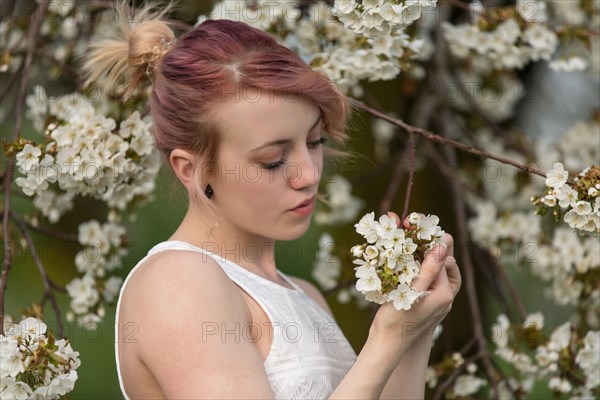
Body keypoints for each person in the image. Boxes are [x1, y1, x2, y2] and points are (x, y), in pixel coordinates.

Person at [80, 2, 461, 399]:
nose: (310, 174)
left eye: (315, 142)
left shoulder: (304, 296)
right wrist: (383, 342)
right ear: (191, 170)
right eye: (272, 160)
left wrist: (412, 331)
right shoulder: (178, 282)